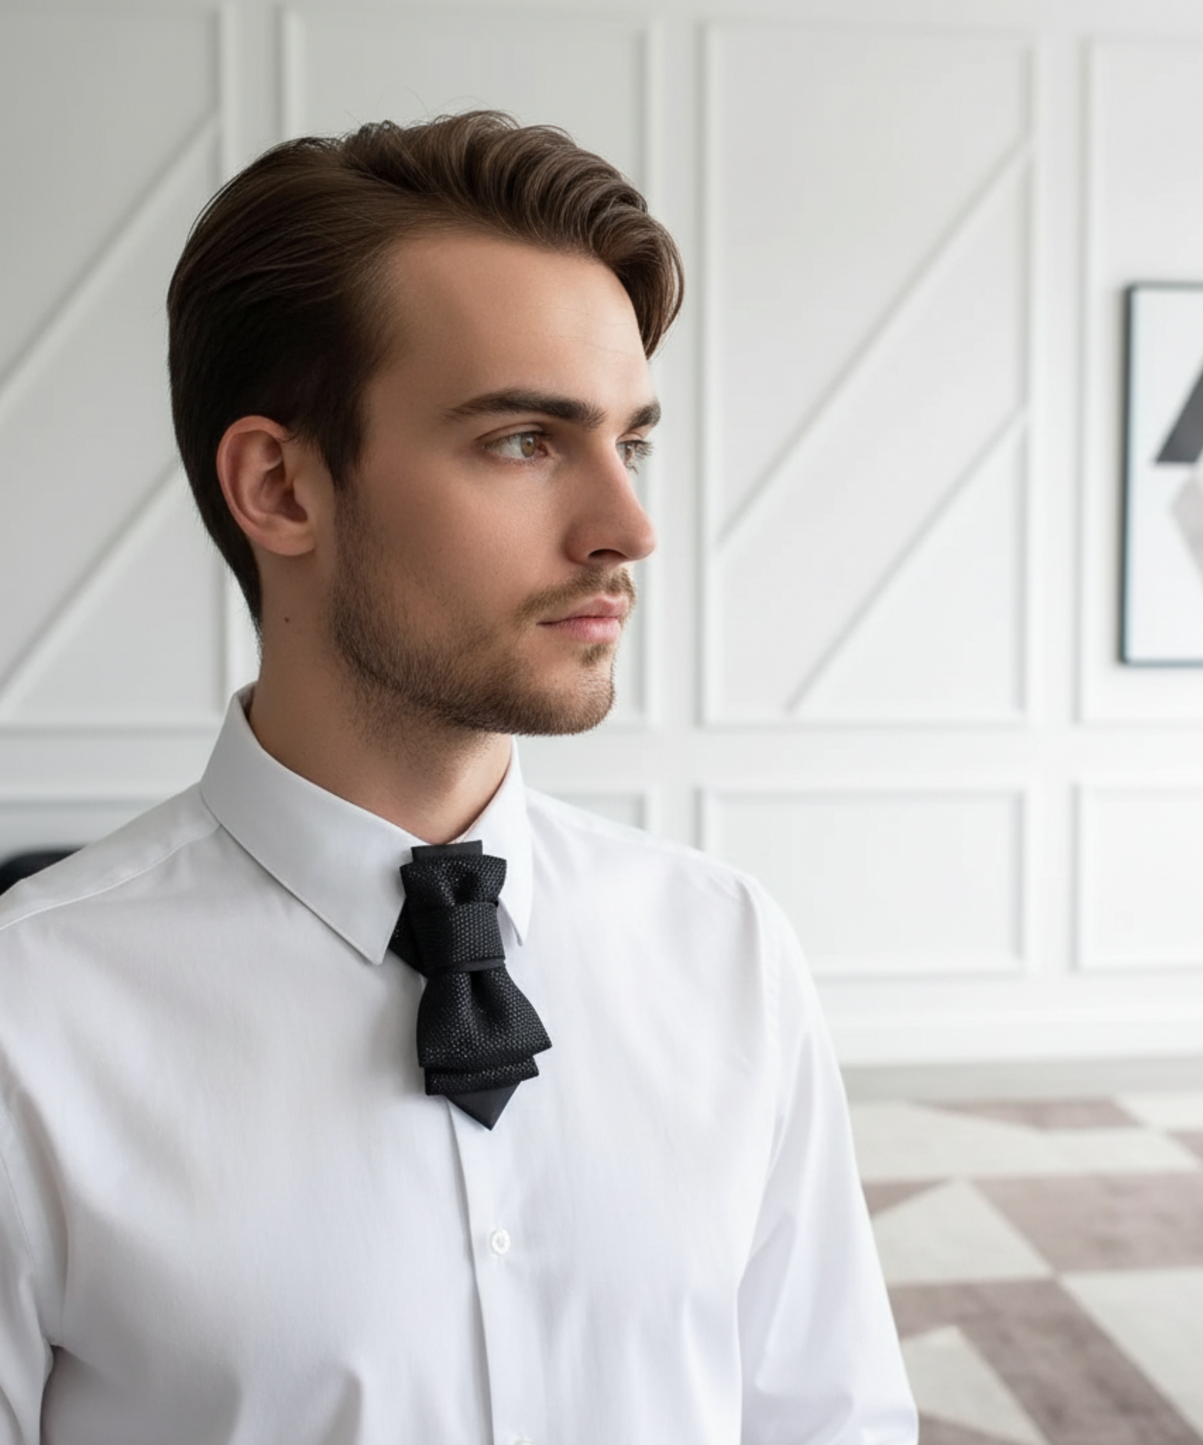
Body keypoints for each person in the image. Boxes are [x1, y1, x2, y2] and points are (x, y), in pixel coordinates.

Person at [0, 112, 916, 1443]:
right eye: (525, 441)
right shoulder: (29, 1018)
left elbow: (828, 1419)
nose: (629, 527)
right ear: (281, 487)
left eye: (631, 442)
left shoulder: (727, 951)